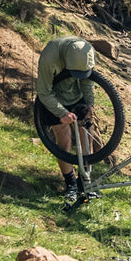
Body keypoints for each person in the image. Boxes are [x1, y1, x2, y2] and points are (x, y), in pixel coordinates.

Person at [35, 36, 95, 198]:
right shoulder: (49, 57)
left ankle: (85, 180)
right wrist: (62, 113)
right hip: (53, 99)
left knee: (87, 134)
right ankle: (71, 184)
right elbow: (44, 92)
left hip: (76, 95)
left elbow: (88, 81)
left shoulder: (86, 52)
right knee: (64, 138)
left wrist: (90, 104)